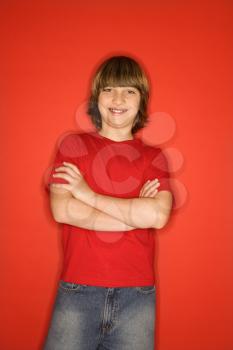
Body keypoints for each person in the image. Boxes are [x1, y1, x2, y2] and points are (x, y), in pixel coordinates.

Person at [43, 55, 173, 350]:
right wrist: (133, 214)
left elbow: (158, 216)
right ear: (96, 97)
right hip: (78, 291)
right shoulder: (72, 145)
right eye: (109, 89)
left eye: (129, 90)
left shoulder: (155, 157)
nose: (118, 98)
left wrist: (87, 195)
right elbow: (63, 210)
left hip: (137, 296)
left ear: (142, 100)